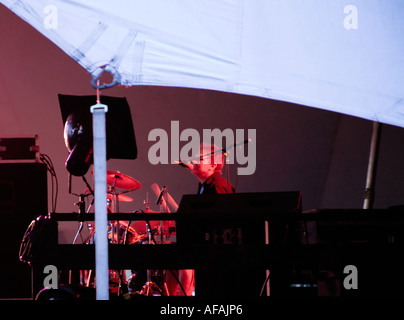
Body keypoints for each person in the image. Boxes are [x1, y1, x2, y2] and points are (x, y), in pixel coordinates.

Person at [166, 143, 235, 296]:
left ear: (212, 165)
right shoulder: (207, 185)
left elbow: (220, 223)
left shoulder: (218, 186)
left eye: (199, 159)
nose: (194, 162)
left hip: (213, 254)